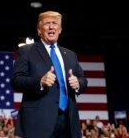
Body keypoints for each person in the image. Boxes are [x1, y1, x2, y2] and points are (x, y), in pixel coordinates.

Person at [10, 10, 88, 138]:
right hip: (38, 121)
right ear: (39, 30)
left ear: (60, 29)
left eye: (55, 23)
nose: (51, 27)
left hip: (68, 121)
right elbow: (16, 81)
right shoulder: (27, 51)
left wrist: (78, 83)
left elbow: (83, 80)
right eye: (47, 23)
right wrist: (39, 82)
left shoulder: (70, 55)